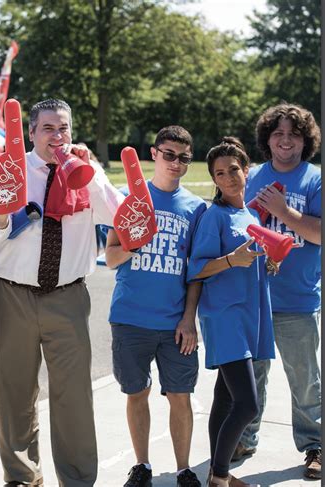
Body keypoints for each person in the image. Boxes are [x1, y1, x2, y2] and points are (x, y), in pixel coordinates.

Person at [0, 98, 124, 486]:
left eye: (63, 128)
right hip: (12, 294)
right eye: (48, 128)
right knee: (15, 392)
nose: (57, 136)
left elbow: (119, 216)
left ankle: (76, 479)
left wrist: (88, 171)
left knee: (73, 396)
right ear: (31, 132)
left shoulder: (86, 171)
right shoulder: (12, 170)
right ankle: (22, 477)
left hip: (67, 296)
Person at [106, 126, 206, 487]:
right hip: (130, 317)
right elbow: (111, 255)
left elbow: (196, 271)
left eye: (183, 157)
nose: (176, 163)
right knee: (137, 393)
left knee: (181, 395)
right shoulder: (127, 197)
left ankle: (183, 468)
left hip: (175, 323)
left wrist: (189, 318)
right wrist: (136, 242)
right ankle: (142, 465)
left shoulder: (196, 208)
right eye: (169, 154)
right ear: (154, 153)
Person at [236, 103, 322, 479]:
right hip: (253, 296)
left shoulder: (315, 179)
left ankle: (314, 445)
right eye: (278, 133)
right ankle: (246, 437)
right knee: (251, 375)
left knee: (304, 379)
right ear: (267, 140)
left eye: (294, 134)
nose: (285, 140)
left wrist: (285, 214)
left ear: (306, 141)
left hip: (297, 299)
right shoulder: (251, 175)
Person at [187, 137, 275, 487]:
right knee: (247, 405)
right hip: (224, 318)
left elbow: (249, 262)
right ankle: (220, 478)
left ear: (246, 169)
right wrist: (230, 260)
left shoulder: (250, 213)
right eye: (220, 173)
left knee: (225, 399)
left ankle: (215, 472)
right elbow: (196, 268)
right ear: (214, 180)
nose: (228, 178)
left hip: (250, 314)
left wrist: (269, 265)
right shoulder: (215, 216)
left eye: (233, 170)